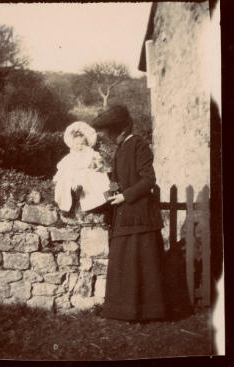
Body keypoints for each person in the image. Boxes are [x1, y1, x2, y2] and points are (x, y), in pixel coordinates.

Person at [91, 105, 166, 321]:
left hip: (140, 215)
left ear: (120, 129)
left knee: (142, 266)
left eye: (108, 130)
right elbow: (120, 181)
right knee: (126, 264)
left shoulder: (138, 145)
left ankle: (149, 312)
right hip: (124, 215)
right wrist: (109, 190)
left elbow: (149, 180)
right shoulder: (121, 147)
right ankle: (123, 311)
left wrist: (125, 196)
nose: (105, 135)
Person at [53, 121, 110, 212]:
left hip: (88, 172)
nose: (79, 147)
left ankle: (98, 199)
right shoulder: (71, 155)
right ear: (72, 144)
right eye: (76, 144)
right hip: (75, 173)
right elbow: (64, 166)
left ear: (87, 144)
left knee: (98, 180)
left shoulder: (90, 152)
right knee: (67, 179)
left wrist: (94, 163)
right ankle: (75, 191)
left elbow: (99, 161)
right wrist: (58, 176)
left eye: (82, 144)